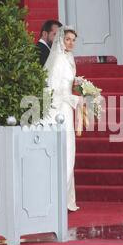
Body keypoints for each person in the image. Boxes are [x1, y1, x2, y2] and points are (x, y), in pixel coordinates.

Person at [41, 26, 81, 212]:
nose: (71, 43)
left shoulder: (69, 58)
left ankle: (65, 199)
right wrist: (76, 99)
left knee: (69, 151)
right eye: (67, 39)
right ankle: (55, 199)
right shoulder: (57, 60)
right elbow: (53, 91)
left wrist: (81, 87)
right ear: (60, 40)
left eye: (73, 39)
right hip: (58, 110)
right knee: (63, 151)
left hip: (67, 109)